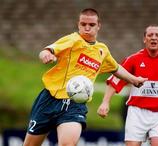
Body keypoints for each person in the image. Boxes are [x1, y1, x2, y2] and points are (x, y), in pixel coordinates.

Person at [23, 8, 147, 146]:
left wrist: (134, 80)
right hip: (49, 100)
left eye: (92, 25)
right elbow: (47, 50)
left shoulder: (102, 50)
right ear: (78, 24)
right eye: (83, 24)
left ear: (99, 25)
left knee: (67, 144)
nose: (87, 28)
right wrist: (46, 55)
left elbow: (116, 68)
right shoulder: (72, 40)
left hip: (75, 104)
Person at [97, 25, 158, 146]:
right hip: (137, 113)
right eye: (150, 35)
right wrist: (105, 102)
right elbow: (114, 81)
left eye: (157, 35)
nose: (154, 38)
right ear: (144, 39)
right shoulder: (133, 59)